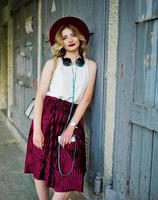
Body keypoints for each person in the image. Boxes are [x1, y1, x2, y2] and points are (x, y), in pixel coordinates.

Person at [24, 16, 97, 200]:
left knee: (72, 170)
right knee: (39, 163)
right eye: (65, 37)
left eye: (73, 35)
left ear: (80, 38)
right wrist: (37, 130)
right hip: (48, 115)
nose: (70, 40)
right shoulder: (53, 63)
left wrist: (71, 126)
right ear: (60, 42)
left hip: (72, 117)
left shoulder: (90, 66)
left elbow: (86, 99)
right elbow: (40, 96)